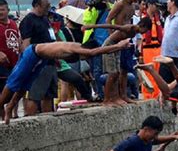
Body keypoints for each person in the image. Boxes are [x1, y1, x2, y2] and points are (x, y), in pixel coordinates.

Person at [0, 39, 131, 124]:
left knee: (25, 85)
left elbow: (57, 49)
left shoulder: (78, 49)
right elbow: (94, 51)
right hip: (33, 53)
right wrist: (118, 46)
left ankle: (10, 107)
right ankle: (3, 104)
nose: (86, 58)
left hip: (43, 59)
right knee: (14, 83)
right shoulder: (77, 48)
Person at [82, 17, 152, 106]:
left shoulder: (134, 32)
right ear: (142, 26)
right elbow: (111, 26)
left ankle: (118, 97)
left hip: (118, 47)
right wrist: (92, 26)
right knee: (112, 73)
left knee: (118, 73)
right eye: (145, 31)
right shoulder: (130, 28)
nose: (144, 33)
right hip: (110, 45)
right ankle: (106, 99)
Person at [105, 0, 146, 105]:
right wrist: (112, 35)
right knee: (114, 72)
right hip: (117, 40)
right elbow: (108, 19)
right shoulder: (120, 4)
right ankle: (110, 97)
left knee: (124, 71)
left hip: (127, 41)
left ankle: (123, 95)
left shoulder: (132, 6)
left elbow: (130, 24)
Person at [19, 0, 57, 116]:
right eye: (46, 6)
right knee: (35, 95)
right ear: (37, 5)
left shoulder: (45, 19)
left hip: (50, 62)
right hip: (38, 63)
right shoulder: (29, 21)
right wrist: (30, 63)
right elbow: (25, 44)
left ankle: (48, 120)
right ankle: (29, 120)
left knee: (49, 95)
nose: (48, 8)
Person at [140, 0, 164, 100]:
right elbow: (141, 38)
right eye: (155, 6)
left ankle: (156, 95)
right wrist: (140, 54)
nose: (157, 8)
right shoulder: (143, 18)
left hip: (157, 49)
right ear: (149, 5)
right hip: (148, 49)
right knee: (148, 73)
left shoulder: (157, 18)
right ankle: (148, 96)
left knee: (157, 74)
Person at [0, 0, 20, 120]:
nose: (0, 12)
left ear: (8, 10)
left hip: (14, 64)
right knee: (2, 95)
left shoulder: (13, 24)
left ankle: (13, 116)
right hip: (1, 66)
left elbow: (18, 40)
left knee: (15, 92)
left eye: (2, 10)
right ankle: (2, 120)